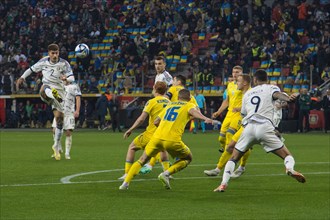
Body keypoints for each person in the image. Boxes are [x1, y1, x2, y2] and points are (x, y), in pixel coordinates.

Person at [214, 69, 306, 192]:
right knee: (287, 156)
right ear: (267, 79)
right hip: (265, 127)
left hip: (249, 127)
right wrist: (289, 99)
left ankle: (223, 184)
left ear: (255, 80)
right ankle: (289, 169)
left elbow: (243, 114)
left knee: (233, 158)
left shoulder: (248, 94)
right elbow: (278, 95)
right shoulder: (271, 88)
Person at [119, 89, 214, 190]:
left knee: (142, 160)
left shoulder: (170, 105)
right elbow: (194, 112)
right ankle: (166, 174)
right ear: (189, 98)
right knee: (188, 158)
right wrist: (205, 118)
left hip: (157, 137)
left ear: (178, 97)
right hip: (172, 140)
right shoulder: (189, 105)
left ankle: (125, 183)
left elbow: (156, 122)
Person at [16, 43, 75, 160]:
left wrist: (66, 79)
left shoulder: (64, 63)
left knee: (59, 121)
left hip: (60, 92)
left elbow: (72, 77)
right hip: (47, 90)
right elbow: (31, 69)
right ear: (49, 53)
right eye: (52, 53)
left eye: (56, 53)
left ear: (58, 53)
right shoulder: (43, 62)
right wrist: (22, 77)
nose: (54, 55)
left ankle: (56, 146)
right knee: (45, 88)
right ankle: (57, 97)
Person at [119, 81, 170, 180]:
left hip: (150, 135)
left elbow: (141, 119)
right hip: (164, 135)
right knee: (162, 151)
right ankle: (167, 172)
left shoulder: (152, 102)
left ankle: (127, 173)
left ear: (154, 88)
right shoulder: (169, 103)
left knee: (132, 147)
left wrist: (130, 129)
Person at [204, 66, 244, 176]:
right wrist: (218, 112)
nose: (235, 74)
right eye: (233, 72)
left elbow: (249, 101)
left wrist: (241, 109)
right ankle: (236, 159)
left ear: (242, 73)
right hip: (229, 114)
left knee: (230, 139)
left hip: (239, 115)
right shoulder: (230, 85)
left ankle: (219, 168)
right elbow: (226, 101)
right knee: (221, 137)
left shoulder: (245, 86)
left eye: (237, 72)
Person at [51, 81, 81, 159]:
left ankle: (67, 153)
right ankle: (58, 149)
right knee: (54, 130)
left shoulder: (74, 86)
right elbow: (54, 98)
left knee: (68, 132)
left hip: (69, 113)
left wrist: (77, 110)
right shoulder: (57, 85)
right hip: (59, 112)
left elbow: (78, 98)